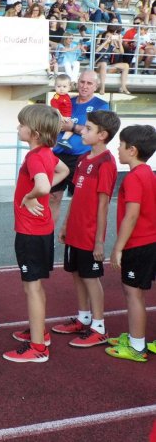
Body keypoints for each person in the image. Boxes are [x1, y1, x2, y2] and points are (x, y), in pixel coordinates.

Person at [4, 105, 69, 363]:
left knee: (31, 287)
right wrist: (37, 189)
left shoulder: (34, 157)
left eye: (21, 125)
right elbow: (63, 171)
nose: (18, 128)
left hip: (31, 231)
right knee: (36, 285)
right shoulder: (46, 153)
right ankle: (39, 330)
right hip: (41, 229)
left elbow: (42, 184)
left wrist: (31, 194)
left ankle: (38, 347)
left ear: (36, 132)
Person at [53, 111, 120, 348]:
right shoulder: (82, 160)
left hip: (90, 234)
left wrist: (100, 241)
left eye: (89, 128)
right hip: (74, 230)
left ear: (102, 135)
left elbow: (103, 206)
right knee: (76, 274)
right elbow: (76, 196)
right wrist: (65, 224)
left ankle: (99, 326)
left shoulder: (106, 163)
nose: (83, 131)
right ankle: (83, 318)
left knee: (91, 279)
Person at [106, 125, 156, 362]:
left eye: (121, 144)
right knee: (134, 292)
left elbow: (132, 214)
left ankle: (137, 346)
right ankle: (136, 339)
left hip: (138, 243)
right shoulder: (148, 173)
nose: (118, 148)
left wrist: (118, 247)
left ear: (132, 150)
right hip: (148, 240)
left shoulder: (134, 177)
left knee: (133, 293)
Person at [49, 70, 109, 228]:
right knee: (53, 197)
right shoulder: (68, 100)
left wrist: (73, 127)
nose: (84, 86)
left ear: (96, 86)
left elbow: (99, 132)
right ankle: (48, 236)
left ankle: (72, 235)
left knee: (79, 200)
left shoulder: (101, 105)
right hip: (58, 156)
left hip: (82, 158)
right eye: (82, 82)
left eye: (89, 83)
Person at [94, 27, 131, 96]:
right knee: (104, 64)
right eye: (107, 36)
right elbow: (97, 50)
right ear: (104, 37)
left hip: (106, 67)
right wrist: (105, 42)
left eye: (110, 37)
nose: (109, 38)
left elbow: (121, 52)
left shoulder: (111, 47)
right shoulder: (99, 44)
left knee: (126, 65)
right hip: (98, 65)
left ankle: (123, 87)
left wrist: (119, 43)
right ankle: (102, 88)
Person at [50, 74, 74, 149]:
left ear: (69, 88)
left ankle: (58, 141)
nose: (61, 89)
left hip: (66, 117)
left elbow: (70, 97)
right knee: (71, 128)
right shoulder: (56, 97)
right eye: (59, 86)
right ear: (55, 87)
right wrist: (61, 117)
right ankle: (64, 140)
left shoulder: (66, 95)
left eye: (64, 87)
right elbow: (55, 109)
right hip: (62, 118)